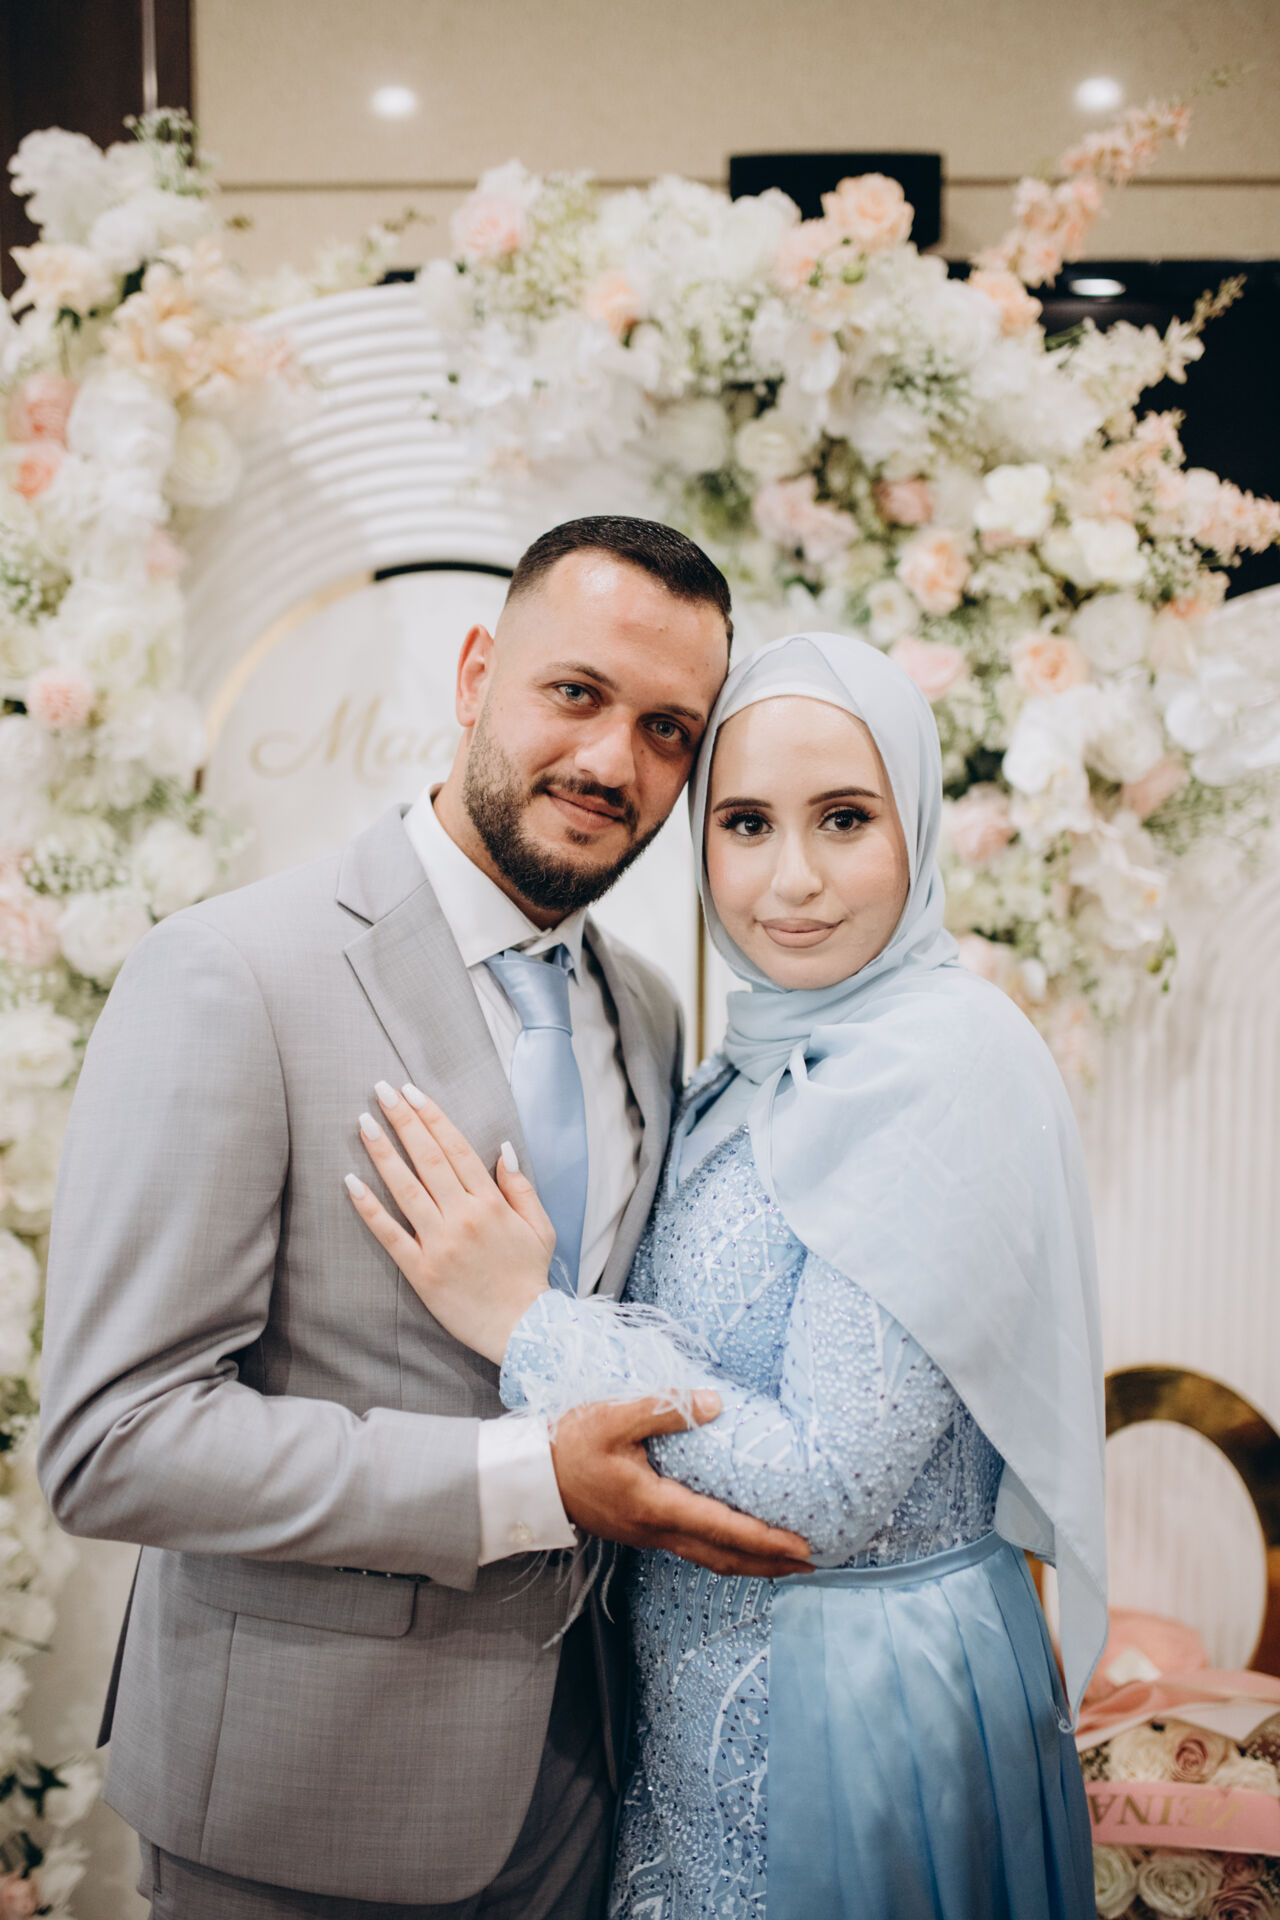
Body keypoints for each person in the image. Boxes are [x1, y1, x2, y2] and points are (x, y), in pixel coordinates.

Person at [36, 516, 813, 1920]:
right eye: (574, 692)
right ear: (472, 676)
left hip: (585, 1793)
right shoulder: (230, 975)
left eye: (667, 731)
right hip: (299, 1802)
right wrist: (528, 1481)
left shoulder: (647, 1011)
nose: (611, 762)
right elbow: (115, 1442)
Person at [348, 631, 1108, 1919]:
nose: (791, 879)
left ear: (917, 827)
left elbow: (826, 1492)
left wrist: (527, 1322)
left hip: (856, 1720)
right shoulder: (748, 1059)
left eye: (845, 819)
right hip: (701, 1718)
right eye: (746, 823)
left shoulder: (944, 1062)